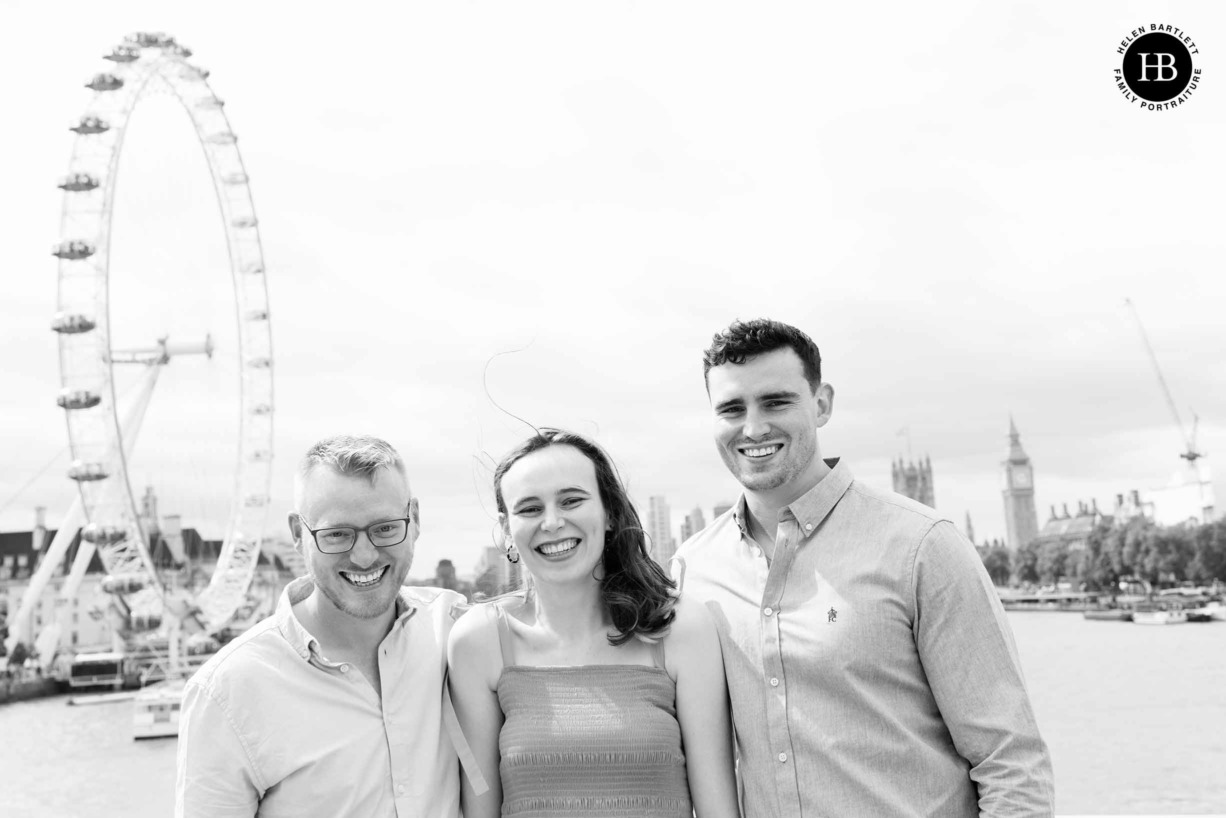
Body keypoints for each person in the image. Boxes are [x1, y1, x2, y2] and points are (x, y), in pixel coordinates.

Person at [672, 319, 1055, 817]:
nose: (753, 427)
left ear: (822, 403)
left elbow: (1012, 762)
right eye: (731, 408)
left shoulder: (921, 545)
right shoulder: (692, 569)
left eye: (776, 401)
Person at [448, 428, 740, 818]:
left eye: (571, 500)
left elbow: (718, 809)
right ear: (506, 531)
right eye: (530, 509)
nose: (552, 523)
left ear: (610, 514)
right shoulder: (477, 641)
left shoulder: (679, 627)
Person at [176, 435, 468, 818]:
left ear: (415, 519)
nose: (364, 555)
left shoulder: (456, 631)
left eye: (384, 528)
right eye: (337, 535)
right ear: (298, 534)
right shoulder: (226, 692)